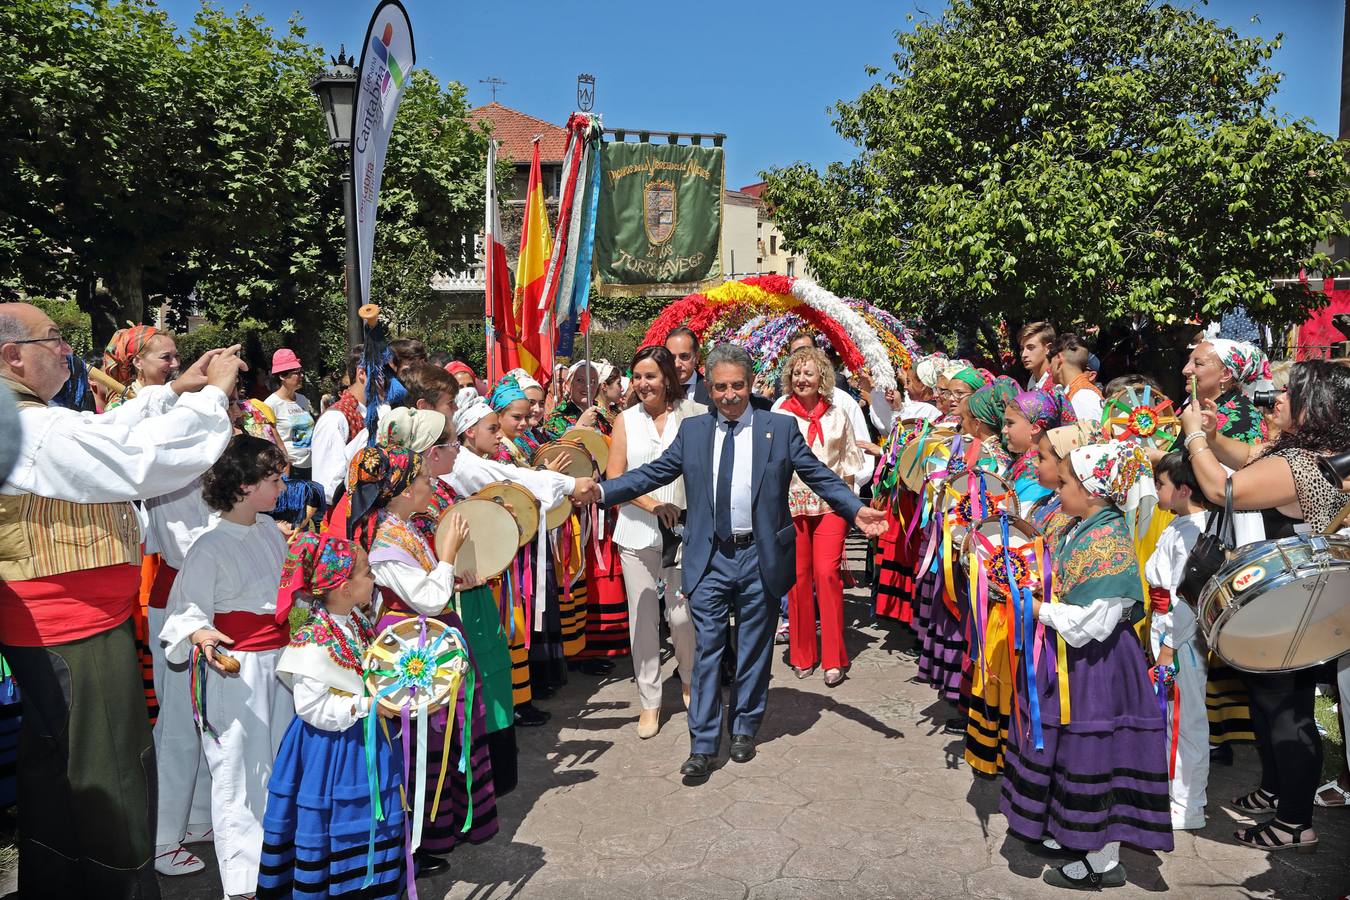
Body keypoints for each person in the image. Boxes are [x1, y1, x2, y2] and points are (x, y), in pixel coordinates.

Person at [0, 302, 239, 899]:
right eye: (54, 338)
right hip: (71, 628)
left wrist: (173, 393)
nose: (66, 350)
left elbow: (107, 431)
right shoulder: (22, 424)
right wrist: (210, 399)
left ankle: (57, 885)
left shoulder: (29, 417)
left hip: (65, 625)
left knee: (59, 776)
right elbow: (139, 459)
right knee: (112, 782)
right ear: (12, 355)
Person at [591, 343, 888, 779]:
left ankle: (745, 728)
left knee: (754, 649)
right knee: (708, 649)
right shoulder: (692, 433)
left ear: (750, 385)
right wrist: (601, 492)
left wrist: (853, 508)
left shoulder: (780, 428)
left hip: (760, 556)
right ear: (709, 388)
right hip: (709, 557)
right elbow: (650, 475)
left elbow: (819, 473)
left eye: (737, 386)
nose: (729, 395)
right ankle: (703, 744)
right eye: (720, 387)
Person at [1181, 358, 1350, 853]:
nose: (1275, 399)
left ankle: (1295, 821)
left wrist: (1194, 437)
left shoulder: (1303, 466)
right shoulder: (1311, 453)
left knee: (1286, 712)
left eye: (1288, 393)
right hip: (1291, 600)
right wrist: (1213, 437)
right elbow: (1249, 455)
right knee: (1271, 701)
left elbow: (1222, 489)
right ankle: (1278, 789)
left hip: (1288, 606)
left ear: (1314, 407)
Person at [1001, 440, 1173, 889]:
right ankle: (1071, 829)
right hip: (1073, 662)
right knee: (1073, 752)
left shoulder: (1108, 543)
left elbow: (1091, 625)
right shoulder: (1083, 526)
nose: (1060, 490)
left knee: (1099, 752)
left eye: (1068, 482)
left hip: (1100, 666)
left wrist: (1034, 608)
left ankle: (1103, 859)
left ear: (1093, 491)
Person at [159, 435, 295, 900]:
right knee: (239, 769)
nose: (282, 488)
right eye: (274, 480)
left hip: (278, 666)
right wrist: (200, 634)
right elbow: (187, 609)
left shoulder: (268, 530)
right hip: (236, 671)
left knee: (276, 763)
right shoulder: (209, 545)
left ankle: (276, 862)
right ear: (243, 486)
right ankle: (243, 881)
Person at [350, 444, 499, 863]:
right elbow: (428, 600)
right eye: (421, 478)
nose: (430, 483)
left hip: (430, 638)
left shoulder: (405, 526)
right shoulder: (385, 542)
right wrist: (448, 558)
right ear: (399, 490)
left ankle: (451, 824)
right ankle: (422, 842)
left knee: (449, 733)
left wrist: (455, 578)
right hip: (413, 649)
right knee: (427, 739)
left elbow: (432, 587)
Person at [257, 533, 405, 898]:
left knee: (374, 821)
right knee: (337, 826)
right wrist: (369, 706)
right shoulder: (313, 638)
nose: (374, 580)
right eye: (368, 573)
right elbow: (312, 708)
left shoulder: (355, 621)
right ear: (343, 587)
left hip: (364, 740)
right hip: (331, 752)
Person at [606, 346, 704, 737]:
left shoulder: (694, 415)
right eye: (637, 376)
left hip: (684, 534)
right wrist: (652, 504)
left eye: (651, 376)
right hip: (636, 533)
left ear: (668, 377)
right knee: (642, 622)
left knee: (681, 618)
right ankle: (649, 702)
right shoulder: (625, 420)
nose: (643, 384)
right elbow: (615, 479)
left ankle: (690, 679)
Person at [1180, 337, 1269, 764]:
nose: (1186, 370)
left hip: (1226, 536)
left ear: (1227, 374)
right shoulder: (1204, 411)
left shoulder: (1243, 417)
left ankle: (1219, 731)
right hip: (1197, 527)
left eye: (1197, 363)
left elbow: (1230, 486)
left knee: (1210, 623)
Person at [776, 347, 864, 686]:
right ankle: (802, 653)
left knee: (827, 574)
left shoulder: (838, 414)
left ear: (821, 377)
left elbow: (850, 465)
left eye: (808, 373)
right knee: (798, 578)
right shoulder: (780, 414)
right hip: (792, 506)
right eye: (796, 373)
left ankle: (833, 657)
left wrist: (850, 506)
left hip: (830, 506)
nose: (801, 379)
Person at [1145, 451, 1212, 832]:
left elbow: (1187, 599)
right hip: (1165, 630)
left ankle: (1190, 803)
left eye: (1161, 484)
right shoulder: (1180, 523)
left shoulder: (1192, 533)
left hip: (1181, 637)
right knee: (1173, 715)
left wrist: (1169, 644)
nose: (1156, 491)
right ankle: (1173, 788)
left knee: (1186, 719)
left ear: (1184, 489)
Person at [312, 346, 371, 503]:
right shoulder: (335, 419)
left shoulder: (373, 413)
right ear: (362, 373)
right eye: (385, 375)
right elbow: (327, 488)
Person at [264, 348, 315, 481]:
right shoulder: (271, 404)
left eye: (301, 372)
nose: (302, 376)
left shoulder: (303, 400)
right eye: (296, 373)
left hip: (311, 466)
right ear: (282, 376)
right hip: (289, 470)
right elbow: (268, 439)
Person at [103, 325, 180, 409]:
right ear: (138, 362)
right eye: (165, 357)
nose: (176, 364)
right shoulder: (119, 407)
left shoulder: (179, 398)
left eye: (176, 356)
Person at [1049, 333, 1104, 425]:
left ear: (1059, 358)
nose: (1049, 366)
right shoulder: (1079, 392)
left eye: (1050, 360)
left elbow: (1091, 437)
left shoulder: (1082, 396)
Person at [666, 326, 709, 406]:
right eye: (672, 358)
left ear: (696, 357)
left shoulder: (710, 390)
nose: (677, 364)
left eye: (684, 356)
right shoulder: (659, 391)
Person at [1018, 321, 1056, 391]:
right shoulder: (1032, 381)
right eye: (1022, 349)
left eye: (1031, 347)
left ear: (1048, 348)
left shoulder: (1057, 384)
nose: (1023, 355)